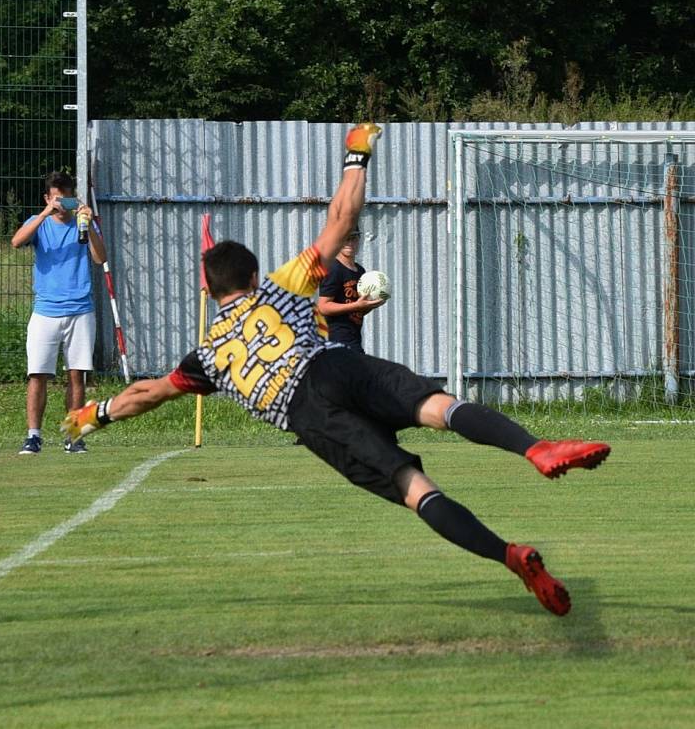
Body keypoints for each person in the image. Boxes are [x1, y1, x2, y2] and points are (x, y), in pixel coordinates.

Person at [61, 124, 610, 616]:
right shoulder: (280, 287)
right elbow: (341, 219)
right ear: (253, 275)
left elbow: (148, 394)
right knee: (439, 407)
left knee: (416, 489)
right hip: (334, 365)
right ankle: (536, 449)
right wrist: (355, 155)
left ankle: (511, 557)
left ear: (211, 290)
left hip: (311, 416)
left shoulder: (207, 357)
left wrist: (95, 414)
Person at [11, 170, 107, 455]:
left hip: (80, 310)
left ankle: (74, 436)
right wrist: (44, 214)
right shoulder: (38, 223)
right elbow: (16, 242)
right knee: (37, 374)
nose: (61, 205)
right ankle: (33, 436)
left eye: (65, 199)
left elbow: (101, 258)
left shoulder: (83, 223)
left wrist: (88, 225)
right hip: (45, 311)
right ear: (48, 198)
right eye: (56, 199)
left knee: (77, 375)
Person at [317, 226, 385, 354]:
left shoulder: (360, 271)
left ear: (359, 240)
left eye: (353, 238)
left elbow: (356, 311)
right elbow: (323, 307)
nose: (349, 243)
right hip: (337, 339)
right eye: (345, 238)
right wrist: (356, 305)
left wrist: (370, 305)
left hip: (353, 338)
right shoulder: (333, 268)